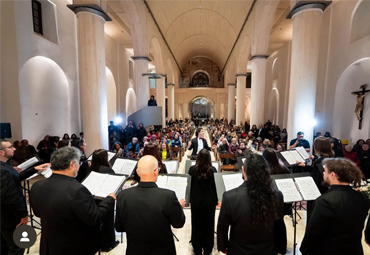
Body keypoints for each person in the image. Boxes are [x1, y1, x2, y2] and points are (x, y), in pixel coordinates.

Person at [30, 147, 116, 255]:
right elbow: (95, 217)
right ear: (72, 164)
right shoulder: (77, 189)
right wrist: (109, 199)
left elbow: (37, 212)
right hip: (74, 245)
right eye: (78, 162)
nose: (80, 166)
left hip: (49, 243)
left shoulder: (37, 185)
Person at [115, 155, 186, 254]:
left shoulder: (123, 196)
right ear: (155, 172)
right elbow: (178, 223)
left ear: (137, 172)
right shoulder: (168, 196)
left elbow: (119, 227)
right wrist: (178, 207)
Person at [300, 158, 369, 255]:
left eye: (325, 171)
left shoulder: (324, 201)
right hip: (354, 249)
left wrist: (305, 249)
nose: (323, 173)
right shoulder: (363, 197)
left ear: (332, 175)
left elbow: (313, 232)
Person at [217, 154, 283, 255]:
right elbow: (279, 226)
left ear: (243, 170)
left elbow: (222, 227)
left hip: (238, 250)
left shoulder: (230, 196)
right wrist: (280, 248)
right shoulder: (277, 195)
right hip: (267, 250)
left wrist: (223, 246)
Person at [1, 139, 49, 255]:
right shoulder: (4, 170)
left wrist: (33, 169)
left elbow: (16, 178)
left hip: (4, 215)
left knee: (5, 246)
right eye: (10, 147)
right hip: (9, 216)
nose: (14, 149)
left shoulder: (5, 167)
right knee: (17, 246)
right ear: (1, 152)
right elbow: (10, 197)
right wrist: (23, 214)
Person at [188, 149, 218, 255]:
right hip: (209, 203)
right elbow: (215, 188)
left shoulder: (192, 170)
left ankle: (197, 248)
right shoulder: (213, 170)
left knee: (196, 224)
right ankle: (207, 248)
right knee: (209, 225)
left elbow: (189, 187)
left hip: (196, 202)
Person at [89, 149, 119, 252]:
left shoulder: (90, 168)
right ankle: (108, 243)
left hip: (92, 198)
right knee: (108, 221)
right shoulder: (108, 170)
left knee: (96, 220)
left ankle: (97, 242)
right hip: (105, 198)